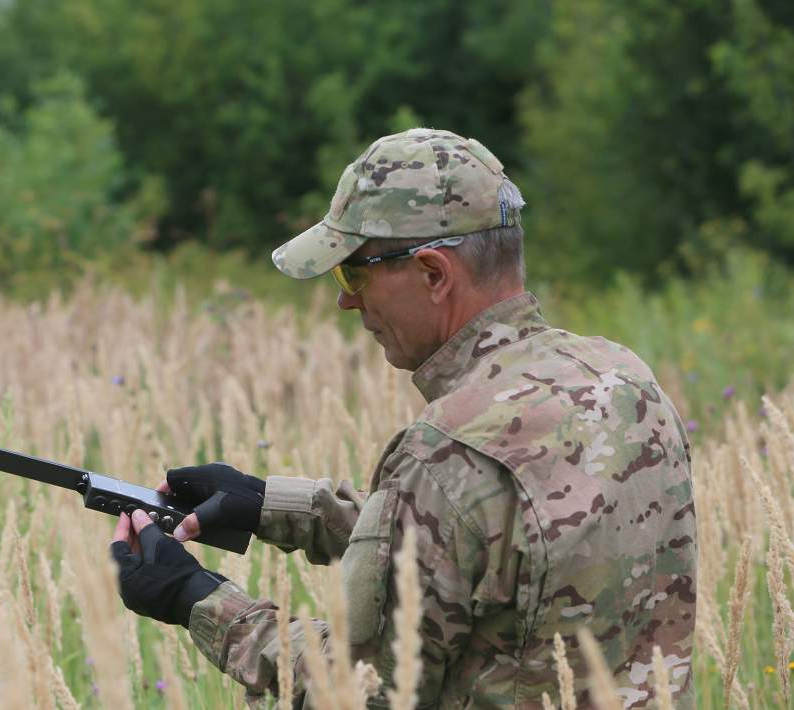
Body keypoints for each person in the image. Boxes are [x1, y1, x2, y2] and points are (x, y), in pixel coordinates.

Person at [111, 128, 697, 708]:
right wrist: (276, 506)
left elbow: (363, 692)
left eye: (353, 273)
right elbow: (493, 550)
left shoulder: (447, 454)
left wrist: (198, 598)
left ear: (434, 274)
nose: (347, 300)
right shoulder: (624, 381)